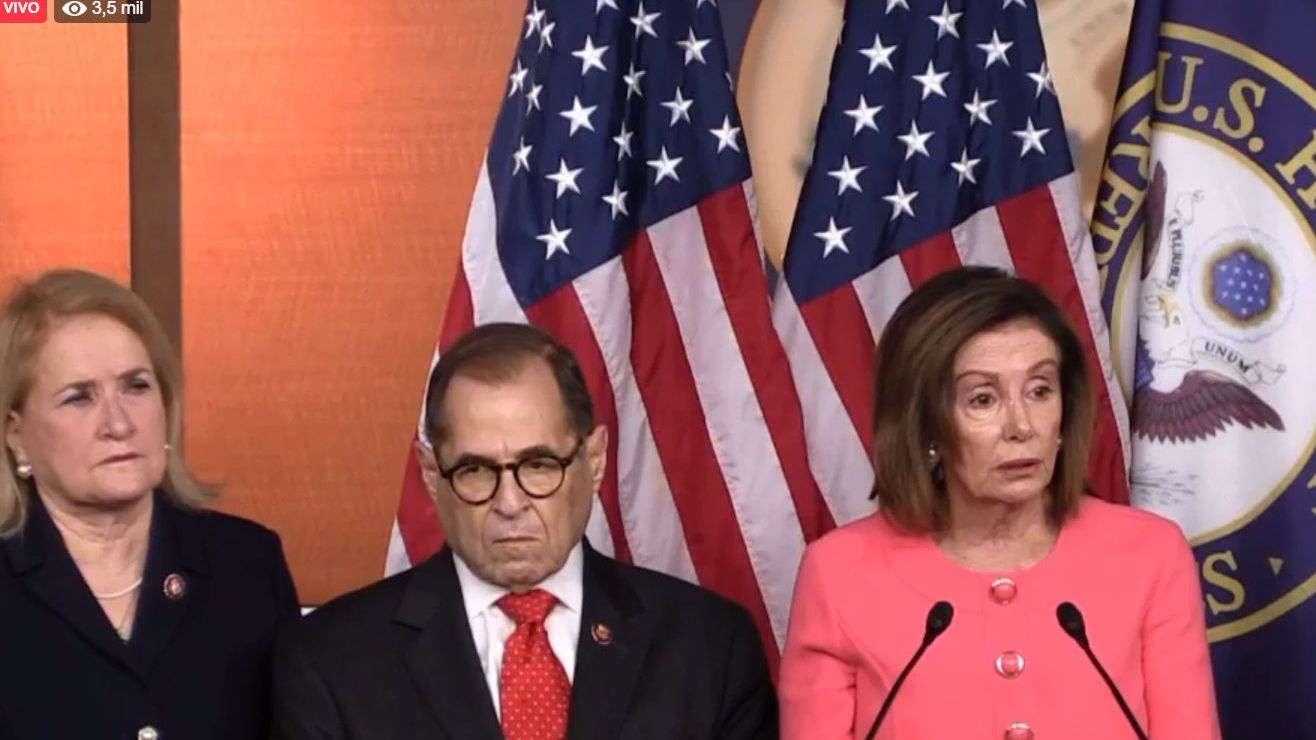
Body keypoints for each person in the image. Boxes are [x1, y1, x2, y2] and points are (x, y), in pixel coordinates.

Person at [272, 322, 777, 740]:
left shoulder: (710, 647)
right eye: (475, 471)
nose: (509, 504)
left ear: (594, 461)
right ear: (431, 475)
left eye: (538, 465)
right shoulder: (331, 661)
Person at [778, 266, 1220, 739]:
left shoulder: (1149, 555)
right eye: (983, 399)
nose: (1021, 426)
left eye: (1040, 391)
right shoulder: (839, 575)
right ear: (925, 426)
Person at [0, 269, 300, 739]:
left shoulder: (247, 562)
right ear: (16, 435)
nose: (119, 424)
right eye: (79, 398)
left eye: (136, 386)